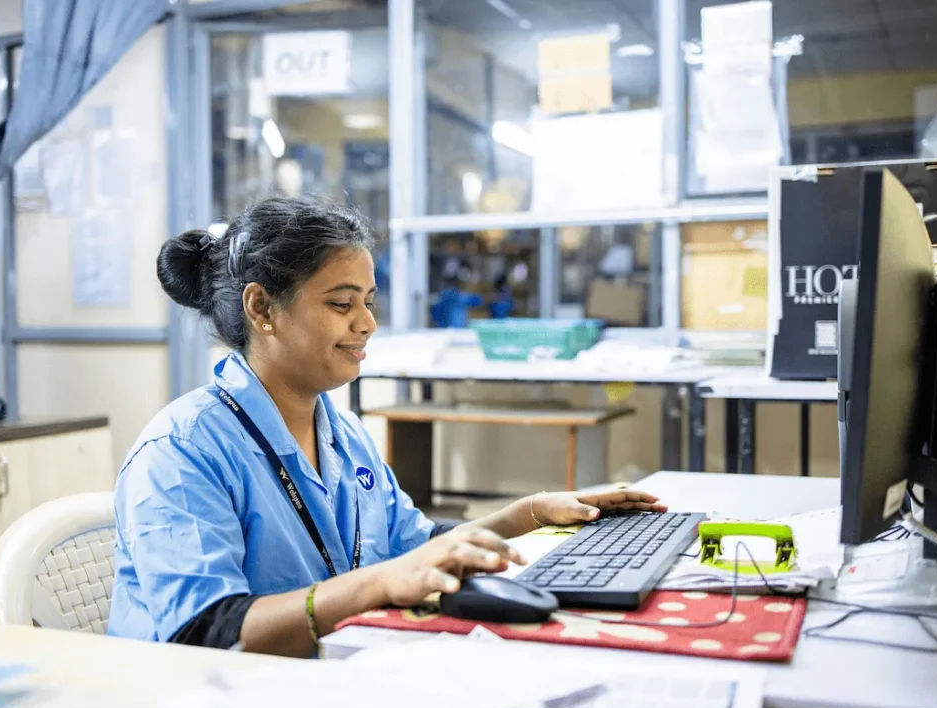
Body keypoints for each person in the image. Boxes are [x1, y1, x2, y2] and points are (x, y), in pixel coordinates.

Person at [107, 195, 667, 657]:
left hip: (334, 677)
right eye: (341, 303)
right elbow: (207, 634)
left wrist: (529, 514)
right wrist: (375, 585)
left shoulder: (341, 433)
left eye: (369, 302)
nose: (367, 323)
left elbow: (414, 548)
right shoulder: (181, 452)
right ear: (263, 309)